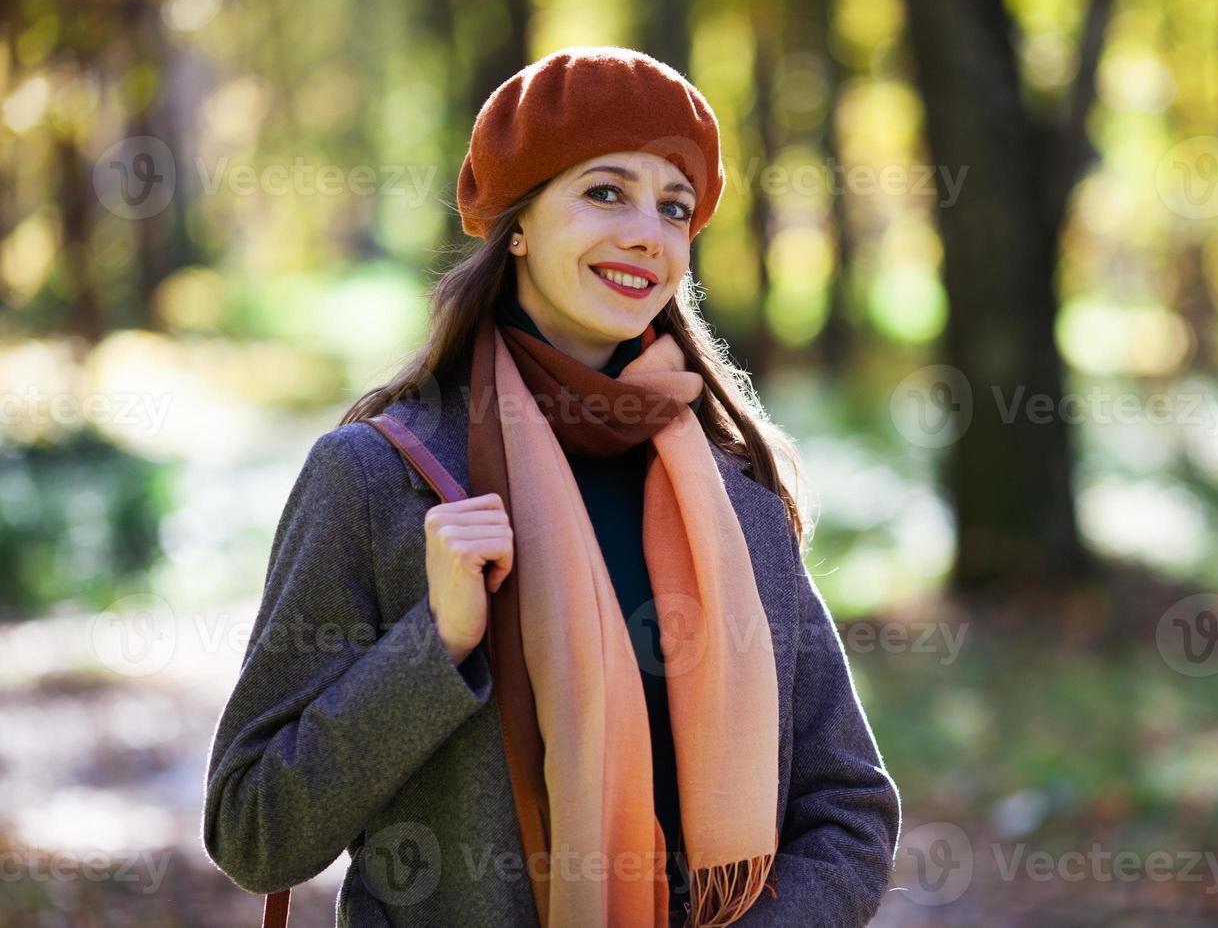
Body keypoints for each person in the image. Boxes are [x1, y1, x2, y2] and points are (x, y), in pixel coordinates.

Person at [202, 45, 901, 927]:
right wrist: (437, 643)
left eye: (674, 206)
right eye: (606, 192)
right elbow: (254, 829)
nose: (650, 231)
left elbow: (848, 809)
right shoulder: (375, 478)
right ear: (519, 223)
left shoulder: (732, 493)